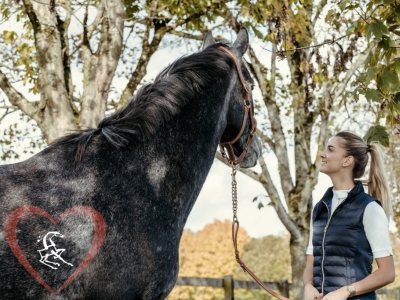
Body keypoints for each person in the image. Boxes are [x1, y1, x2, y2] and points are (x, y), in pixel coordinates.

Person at [303, 131, 395, 300]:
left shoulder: (369, 208)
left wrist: (346, 291)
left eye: (330, 149)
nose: (323, 154)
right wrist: (308, 286)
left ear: (347, 161)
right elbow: (312, 261)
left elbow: (387, 273)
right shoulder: (320, 208)